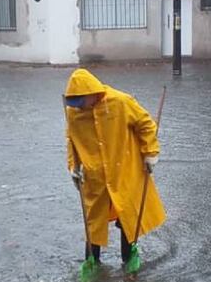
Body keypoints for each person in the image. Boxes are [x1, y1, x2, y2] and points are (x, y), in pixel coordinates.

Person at [64, 68, 166, 265]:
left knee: (128, 216)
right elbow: (71, 140)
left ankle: (128, 259)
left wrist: (150, 153)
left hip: (125, 170)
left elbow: (145, 124)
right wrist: (73, 167)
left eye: (82, 102)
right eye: (75, 104)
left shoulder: (120, 102)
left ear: (92, 93)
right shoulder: (73, 112)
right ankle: (92, 262)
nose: (80, 108)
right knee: (93, 222)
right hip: (94, 175)